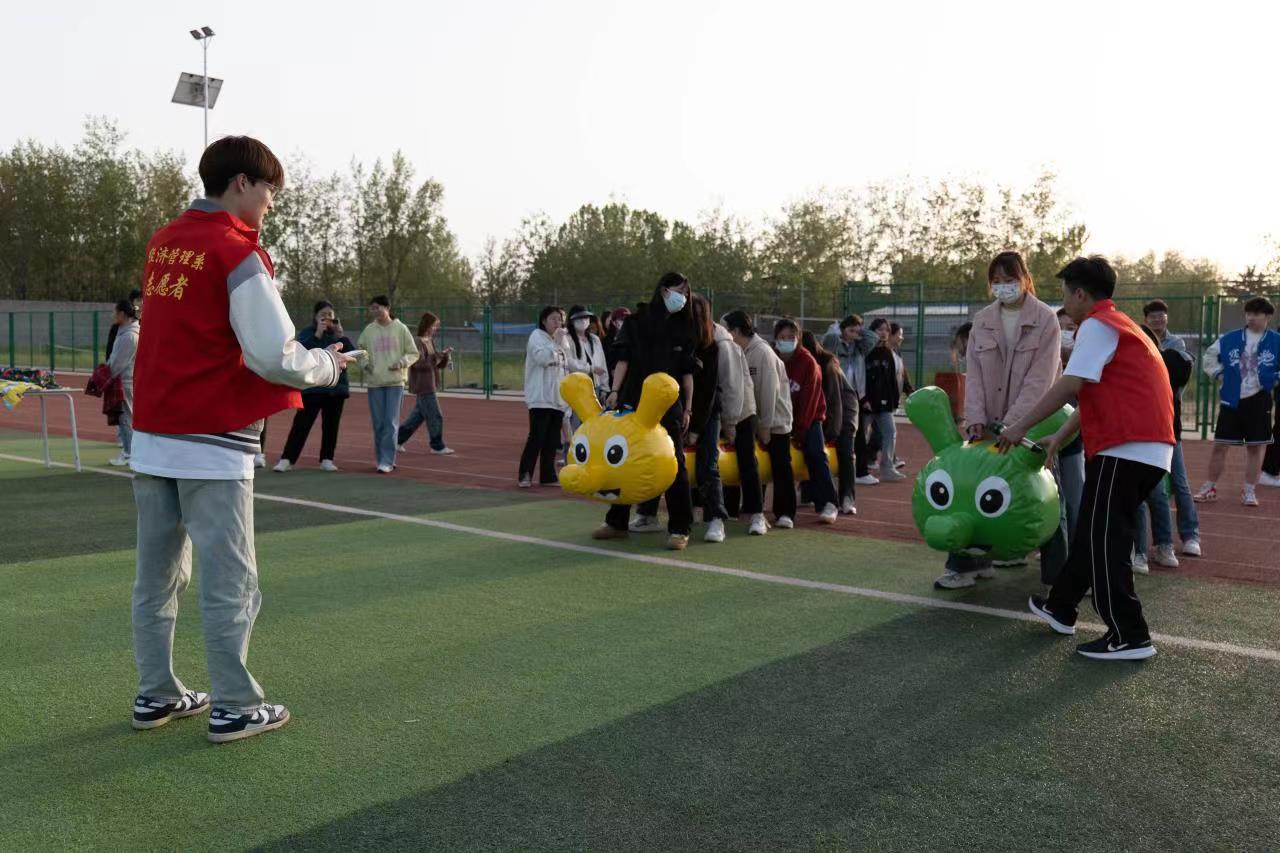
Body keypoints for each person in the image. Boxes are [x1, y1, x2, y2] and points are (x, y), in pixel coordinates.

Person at [129, 135, 357, 741]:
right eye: (268, 190)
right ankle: (234, 704)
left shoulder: (164, 242)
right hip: (212, 440)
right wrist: (328, 365)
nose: (270, 203)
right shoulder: (236, 252)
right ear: (240, 184)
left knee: (156, 578)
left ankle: (155, 693)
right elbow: (273, 354)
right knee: (230, 580)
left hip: (153, 436)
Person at [1006, 255, 1174, 661]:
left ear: (1080, 294)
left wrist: (1019, 426)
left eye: (1065, 293)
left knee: (1106, 539)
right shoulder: (1121, 325)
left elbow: (1070, 385)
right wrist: (1059, 437)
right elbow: (1094, 393)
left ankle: (1130, 636)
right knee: (1093, 532)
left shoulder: (1097, 326)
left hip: (1127, 447)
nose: (1063, 301)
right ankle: (1061, 606)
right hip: (1143, 448)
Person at [936, 250, 1063, 589]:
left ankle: (1056, 574)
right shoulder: (983, 320)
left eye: (1010, 279)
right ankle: (965, 565)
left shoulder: (1045, 319)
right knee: (973, 486)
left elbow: (1041, 379)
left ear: (1025, 279)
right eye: (997, 281)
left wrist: (1015, 423)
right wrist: (975, 418)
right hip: (989, 423)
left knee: (1047, 490)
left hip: (1035, 423)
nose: (1003, 286)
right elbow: (974, 375)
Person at [593, 273, 697, 549]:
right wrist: (614, 391)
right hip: (633, 401)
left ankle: (680, 529)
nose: (683, 297)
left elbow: (687, 372)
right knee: (625, 458)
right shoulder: (636, 321)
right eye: (679, 290)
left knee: (674, 464)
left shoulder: (685, 326)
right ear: (663, 290)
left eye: (686, 293)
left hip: (669, 405)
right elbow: (623, 359)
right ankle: (617, 522)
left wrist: (688, 407)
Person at [1193, 297, 1279, 507]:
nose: (1251, 317)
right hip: (1231, 399)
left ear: (1268, 316)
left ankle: (1249, 491)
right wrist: (1220, 374)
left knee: (1255, 448)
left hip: (1259, 399)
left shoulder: (1276, 341)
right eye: (1248, 313)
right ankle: (1209, 487)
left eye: (1256, 314)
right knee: (1220, 445)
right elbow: (1209, 358)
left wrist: (1274, 378)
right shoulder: (1229, 338)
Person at [725, 310, 796, 528]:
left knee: (780, 465)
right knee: (748, 462)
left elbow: (769, 392)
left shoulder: (763, 352)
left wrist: (766, 425)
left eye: (726, 329)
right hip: (751, 418)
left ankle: (786, 512)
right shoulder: (738, 351)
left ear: (737, 331)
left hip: (775, 420)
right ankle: (745, 508)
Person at [1131, 321, 1194, 572]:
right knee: (1136, 498)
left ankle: (1165, 544)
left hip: (1159, 439)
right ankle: (1139, 552)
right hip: (1131, 439)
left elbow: (1186, 363)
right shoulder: (1126, 369)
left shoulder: (1167, 363)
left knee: (1160, 493)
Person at [274, 301, 355, 472]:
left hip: (335, 390)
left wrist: (340, 335)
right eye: (322, 315)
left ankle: (327, 459)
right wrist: (318, 333)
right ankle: (287, 459)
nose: (327, 318)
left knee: (331, 426)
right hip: (312, 389)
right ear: (315, 317)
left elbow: (350, 356)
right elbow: (300, 353)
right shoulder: (307, 333)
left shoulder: (339, 337)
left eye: (330, 315)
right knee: (301, 425)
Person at [774, 318, 839, 524]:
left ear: (798, 338)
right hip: (780, 418)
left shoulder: (808, 363)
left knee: (815, 453)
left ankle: (828, 502)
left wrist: (800, 432)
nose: (786, 341)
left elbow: (810, 401)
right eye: (782, 337)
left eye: (791, 337)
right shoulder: (772, 358)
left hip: (809, 418)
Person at [716, 311, 768, 536]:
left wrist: (731, 422)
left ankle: (757, 514)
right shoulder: (714, 342)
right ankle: (725, 510)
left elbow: (736, 389)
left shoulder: (729, 346)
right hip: (725, 411)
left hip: (743, 412)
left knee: (747, 461)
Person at [357, 295, 419, 474]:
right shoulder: (369, 330)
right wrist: (365, 364)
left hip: (395, 382)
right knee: (378, 423)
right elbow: (360, 350)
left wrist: (402, 362)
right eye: (372, 308)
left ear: (387, 308)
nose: (375, 311)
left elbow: (413, 353)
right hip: (375, 383)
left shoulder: (400, 328)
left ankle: (387, 461)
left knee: (391, 422)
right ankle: (381, 459)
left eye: (378, 307)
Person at [685, 294, 726, 541]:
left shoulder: (712, 347)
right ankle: (648, 513)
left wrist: (696, 428)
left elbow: (709, 392)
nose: (695, 320)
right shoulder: (678, 342)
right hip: (682, 410)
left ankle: (716, 518)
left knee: (709, 463)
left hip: (707, 412)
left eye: (700, 315)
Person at [804, 329, 858, 514]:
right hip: (823, 407)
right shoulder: (801, 364)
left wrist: (831, 433)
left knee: (845, 449)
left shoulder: (829, 366)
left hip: (845, 408)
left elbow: (835, 402)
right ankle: (808, 492)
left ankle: (847, 497)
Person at [824, 315, 878, 487]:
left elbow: (873, 338)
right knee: (835, 432)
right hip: (837, 393)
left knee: (859, 434)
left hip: (855, 395)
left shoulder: (859, 348)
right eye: (850, 330)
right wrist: (836, 331)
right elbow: (828, 344)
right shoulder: (836, 344)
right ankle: (832, 471)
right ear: (842, 330)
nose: (854, 334)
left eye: (857, 331)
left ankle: (860, 471)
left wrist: (860, 331)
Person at [519, 306, 569, 487]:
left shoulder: (562, 340)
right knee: (537, 437)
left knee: (552, 439)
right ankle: (525, 474)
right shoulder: (537, 336)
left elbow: (566, 365)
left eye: (560, 319)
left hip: (557, 397)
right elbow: (542, 359)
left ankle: (548, 476)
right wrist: (555, 343)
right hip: (540, 397)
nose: (558, 323)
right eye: (554, 319)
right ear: (544, 321)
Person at [397, 311, 454, 456]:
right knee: (435, 415)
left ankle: (396, 441)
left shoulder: (430, 341)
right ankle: (437, 446)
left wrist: (444, 355)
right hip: (423, 385)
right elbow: (417, 363)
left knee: (417, 417)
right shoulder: (418, 341)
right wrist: (436, 358)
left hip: (431, 382)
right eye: (433, 326)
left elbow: (435, 363)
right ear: (427, 325)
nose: (435, 329)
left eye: (436, 326)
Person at [1055, 308, 1086, 544]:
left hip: (1074, 445)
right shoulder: (1042, 363)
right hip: (1043, 444)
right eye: (1059, 329)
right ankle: (1055, 551)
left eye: (1070, 328)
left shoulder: (1086, 363)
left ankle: (1077, 548)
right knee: (1051, 501)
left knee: (1075, 501)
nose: (1064, 333)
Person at [864, 318, 906, 483]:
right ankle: (855, 467)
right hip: (867, 403)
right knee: (861, 436)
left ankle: (887, 467)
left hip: (884, 404)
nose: (883, 333)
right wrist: (863, 399)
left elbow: (891, 380)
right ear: (872, 331)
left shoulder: (889, 353)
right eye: (879, 329)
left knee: (890, 432)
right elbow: (861, 378)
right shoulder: (865, 351)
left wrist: (893, 400)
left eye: (886, 330)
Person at [106, 299, 140, 467]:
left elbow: (118, 363)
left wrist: (105, 375)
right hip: (123, 379)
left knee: (125, 417)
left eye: (115, 312)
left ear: (122, 314)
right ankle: (130, 451)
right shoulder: (125, 332)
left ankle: (129, 453)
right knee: (125, 417)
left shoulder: (129, 336)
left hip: (125, 380)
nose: (113, 315)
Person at [564, 305, 609, 410]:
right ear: (572, 321)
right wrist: (590, 368)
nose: (583, 321)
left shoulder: (594, 339)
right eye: (579, 318)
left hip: (595, 387)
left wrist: (605, 388)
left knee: (595, 417)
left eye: (585, 318)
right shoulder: (567, 339)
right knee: (577, 418)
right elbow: (568, 362)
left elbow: (602, 363)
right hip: (577, 387)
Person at [105, 289, 143, 362]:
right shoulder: (118, 327)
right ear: (131, 303)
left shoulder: (146, 324)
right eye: (138, 300)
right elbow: (110, 352)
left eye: (144, 300)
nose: (142, 303)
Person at [602, 307, 631, 376]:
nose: (625, 322)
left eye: (628, 319)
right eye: (622, 319)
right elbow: (606, 359)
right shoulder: (607, 340)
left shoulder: (635, 336)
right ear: (613, 322)